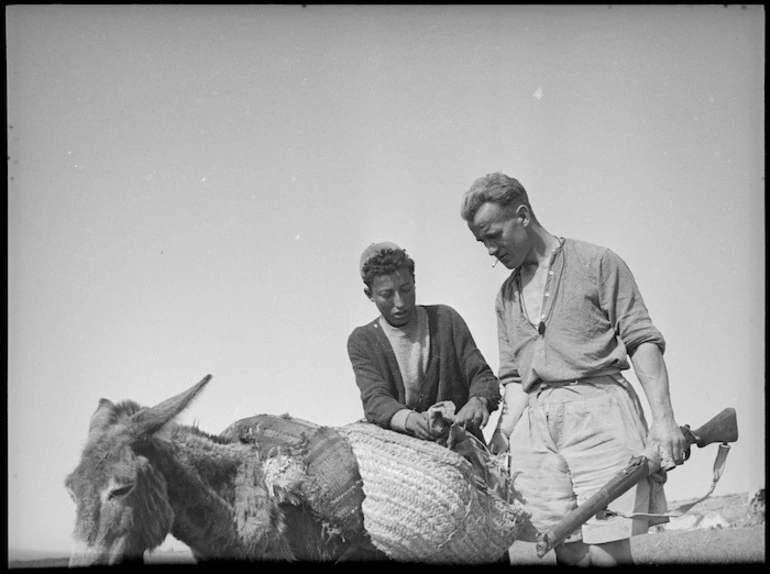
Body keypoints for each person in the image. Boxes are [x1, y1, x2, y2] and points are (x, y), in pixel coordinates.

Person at [460, 172, 688, 566]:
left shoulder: (598, 262)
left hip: (599, 413)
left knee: (607, 553)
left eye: (494, 235)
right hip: (536, 429)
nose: (490, 250)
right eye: (482, 242)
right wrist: (502, 438)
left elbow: (641, 340)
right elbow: (515, 380)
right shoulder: (505, 297)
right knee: (563, 552)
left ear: (523, 215)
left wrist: (663, 419)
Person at [347, 242, 500, 443]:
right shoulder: (363, 341)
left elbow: (481, 375)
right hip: (403, 452)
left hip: (461, 445)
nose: (400, 302)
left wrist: (478, 400)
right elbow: (375, 399)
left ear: (414, 281)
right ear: (370, 295)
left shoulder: (446, 319)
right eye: (387, 295)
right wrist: (409, 420)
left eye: (406, 289)